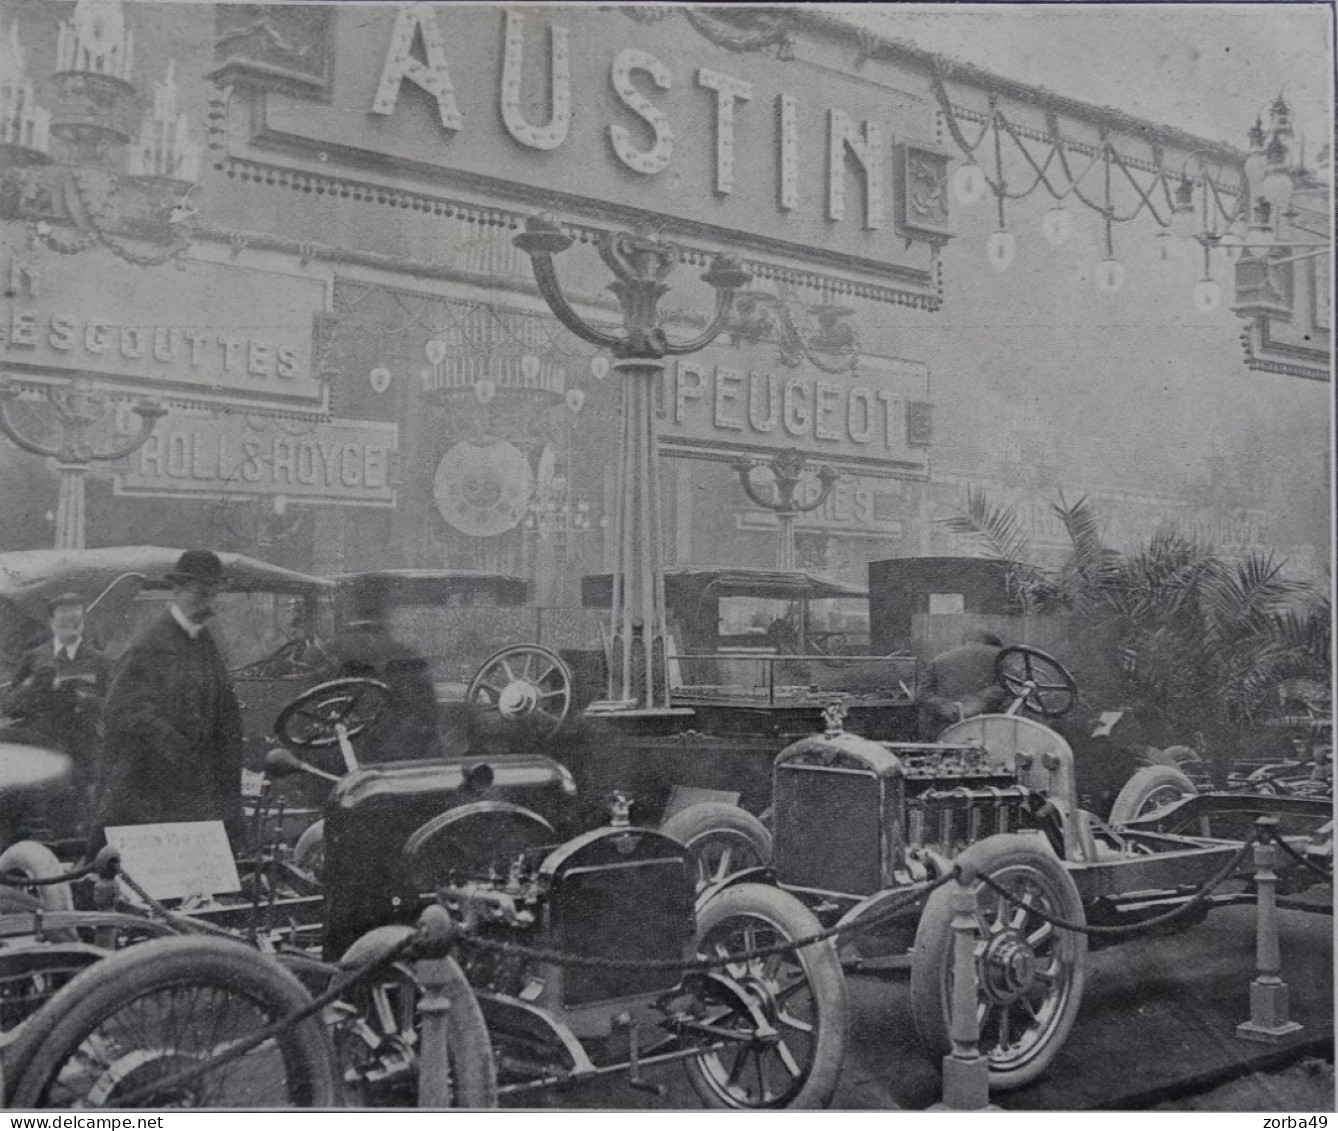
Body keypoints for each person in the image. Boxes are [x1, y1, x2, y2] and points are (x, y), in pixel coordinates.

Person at [90, 550, 245, 851]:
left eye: (214, 594)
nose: (209, 603)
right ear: (178, 590)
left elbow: (222, 709)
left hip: (193, 784)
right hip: (147, 787)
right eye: (202, 593)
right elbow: (121, 710)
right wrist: (175, 745)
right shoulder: (150, 644)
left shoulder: (204, 642)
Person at [1, 592, 111, 833]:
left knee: (81, 812)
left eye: (76, 621)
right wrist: (35, 687)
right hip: (41, 746)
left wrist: (82, 699)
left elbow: (110, 705)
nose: (70, 627)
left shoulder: (99, 661)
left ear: (83, 622)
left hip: (82, 746)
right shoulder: (33, 658)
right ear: (51, 622)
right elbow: (9, 706)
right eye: (63, 622)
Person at [318, 573, 446, 765]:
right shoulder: (406, 655)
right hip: (395, 768)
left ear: (348, 608)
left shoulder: (322, 654)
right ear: (385, 610)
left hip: (333, 764)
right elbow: (427, 721)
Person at [917, 630, 1009, 739]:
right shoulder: (1002, 656)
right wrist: (979, 703)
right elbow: (1013, 686)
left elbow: (923, 693)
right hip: (990, 728)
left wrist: (946, 707)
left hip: (947, 729)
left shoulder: (938, 660)